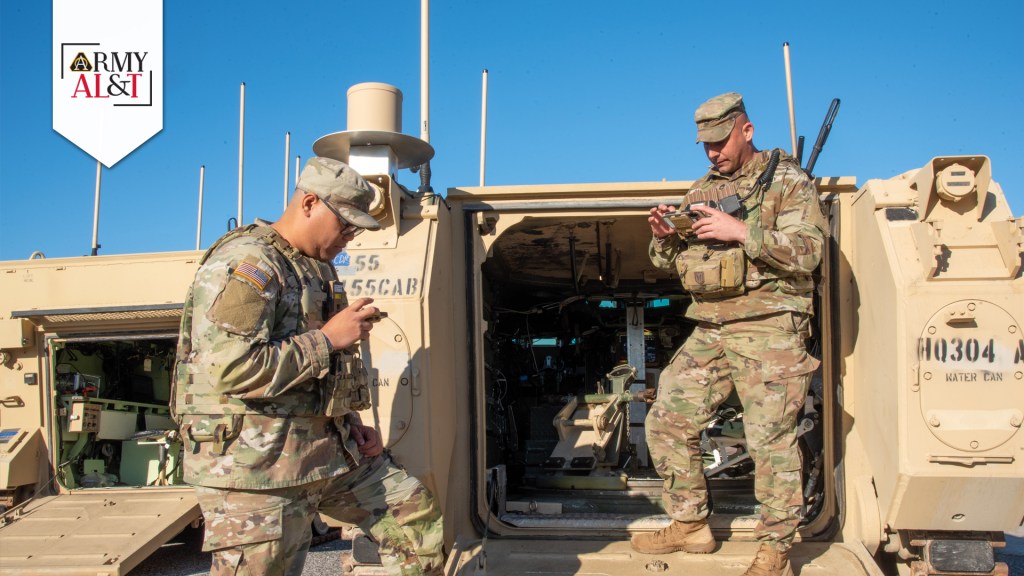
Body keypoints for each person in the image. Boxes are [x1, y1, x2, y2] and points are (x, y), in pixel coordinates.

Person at [172, 156, 444, 576]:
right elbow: (232, 368)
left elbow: (319, 371)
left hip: (322, 453)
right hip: (256, 472)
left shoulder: (315, 268)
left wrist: (348, 421)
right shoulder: (250, 264)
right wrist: (329, 337)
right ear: (310, 203)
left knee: (413, 516)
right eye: (346, 225)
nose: (350, 237)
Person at [632, 92, 827, 576]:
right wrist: (661, 236)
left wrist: (742, 232)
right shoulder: (699, 191)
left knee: (770, 440)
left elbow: (809, 251)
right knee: (667, 419)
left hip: (769, 327)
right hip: (713, 326)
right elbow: (665, 261)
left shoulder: (786, 181)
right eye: (705, 144)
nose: (713, 151)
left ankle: (777, 548)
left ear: (747, 130)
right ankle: (691, 524)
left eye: (720, 141)